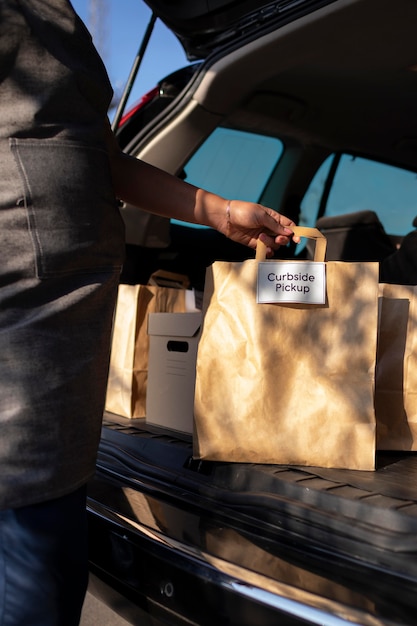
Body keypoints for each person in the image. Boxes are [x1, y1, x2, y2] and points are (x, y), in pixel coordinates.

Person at [0, 1, 298, 624]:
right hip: (24, 293)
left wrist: (215, 209)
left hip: (68, 301)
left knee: (49, 509)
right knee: (33, 523)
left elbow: (98, 155)